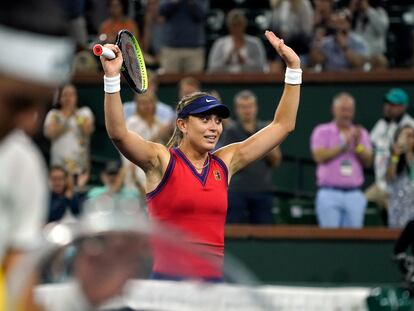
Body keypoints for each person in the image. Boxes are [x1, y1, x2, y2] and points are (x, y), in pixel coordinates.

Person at [98, 30, 301, 280]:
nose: (214, 127)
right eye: (205, 119)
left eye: (217, 120)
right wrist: (111, 78)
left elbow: (283, 125)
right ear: (182, 124)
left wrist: (293, 68)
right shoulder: (161, 160)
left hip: (211, 289)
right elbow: (118, 133)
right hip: (168, 286)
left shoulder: (226, 161)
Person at [0, 0, 75, 308]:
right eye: (18, 102)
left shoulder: (23, 161)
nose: (32, 122)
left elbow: (19, 288)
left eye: (43, 105)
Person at [310, 92, 373, 228]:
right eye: (343, 110)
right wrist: (343, 146)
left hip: (354, 194)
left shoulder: (360, 133)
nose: (346, 114)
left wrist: (358, 146)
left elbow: (368, 161)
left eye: (349, 110)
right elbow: (318, 156)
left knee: (355, 241)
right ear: (334, 110)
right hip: (329, 193)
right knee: (330, 240)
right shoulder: (321, 131)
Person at [221, 90, 282, 224]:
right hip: (237, 191)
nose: (247, 110)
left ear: (256, 108)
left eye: (249, 106)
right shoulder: (230, 131)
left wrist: (267, 143)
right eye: (243, 107)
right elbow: (227, 162)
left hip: (263, 190)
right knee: (234, 234)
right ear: (237, 109)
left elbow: (276, 160)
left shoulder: (265, 129)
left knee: (265, 236)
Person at [365, 88, 414, 219]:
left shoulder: (409, 127)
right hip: (380, 183)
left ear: (403, 106)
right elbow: (371, 150)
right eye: (387, 103)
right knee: (361, 205)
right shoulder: (381, 125)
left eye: (393, 104)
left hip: (403, 186)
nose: (388, 107)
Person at [44, 84, 95, 176]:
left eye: (71, 95)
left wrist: (75, 114)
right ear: (59, 98)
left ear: (76, 97)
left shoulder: (85, 112)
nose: (68, 98)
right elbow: (51, 133)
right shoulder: (53, 114)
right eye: (65, 95)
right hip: (59, 165)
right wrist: (66, 117)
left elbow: (87, 130)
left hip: (80, 165)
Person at [207, 9, 268, 73]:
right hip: (224, 81)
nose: (237, 28)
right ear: (229, 26)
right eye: (234, 25)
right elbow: (211, 68)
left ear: (244, 24)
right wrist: (226, 61)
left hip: (249, 80)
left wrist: (244, 62)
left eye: (239, 24)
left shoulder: (255, 43)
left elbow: (261, 67)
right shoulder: (219, 44)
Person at [159, 0, 209, 73]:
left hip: (194, 49)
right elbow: (162, 11)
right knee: (169, 80)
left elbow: (202, 15)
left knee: (193, 81)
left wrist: (191, 3)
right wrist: (174, 2)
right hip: (171, 48)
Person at [385, 125, 414, 228]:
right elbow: (390, 177)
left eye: (410, 136)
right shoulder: (392, 158)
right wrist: (395, 156)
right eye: (404, 136)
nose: (407, 139)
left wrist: (409, 153)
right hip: (398, 209)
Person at [347, 0, 389, 69]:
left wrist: (367, 9)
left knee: (380, 60)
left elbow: (382, 29)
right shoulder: (355, 16)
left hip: (375, 55)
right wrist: (351, 10)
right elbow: (343, 28)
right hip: (359, 56)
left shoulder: (380, 12)